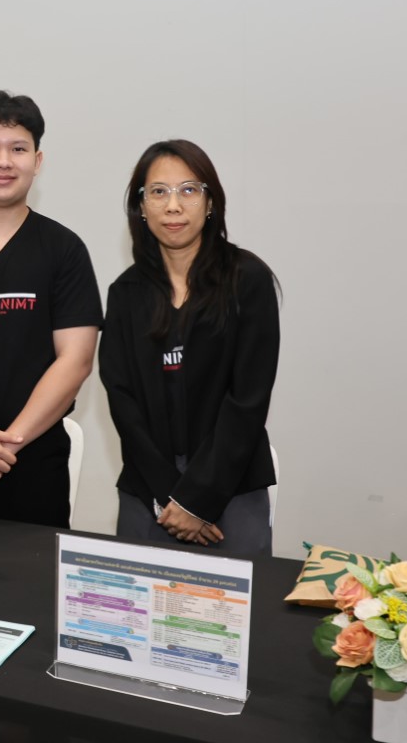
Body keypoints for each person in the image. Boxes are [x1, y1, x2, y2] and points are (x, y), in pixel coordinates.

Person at [99, 139, 279, 555]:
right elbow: (122, 400)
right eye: (158, 192)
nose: (173, 206)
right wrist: (171, 498)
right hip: (149, 489)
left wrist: (197, 499)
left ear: (210, 202)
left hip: (231, 482)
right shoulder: (125, 292)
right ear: (141, 207)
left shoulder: (247, 279)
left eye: (189, 190)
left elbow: (248, 399)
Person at [0, 91, 103, 528]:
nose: (3, 162)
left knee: (33, 570)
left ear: (38, 160)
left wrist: (5, 446)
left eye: (18, 149)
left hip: (33, 458)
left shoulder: (64, 249)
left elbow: (76, 360)